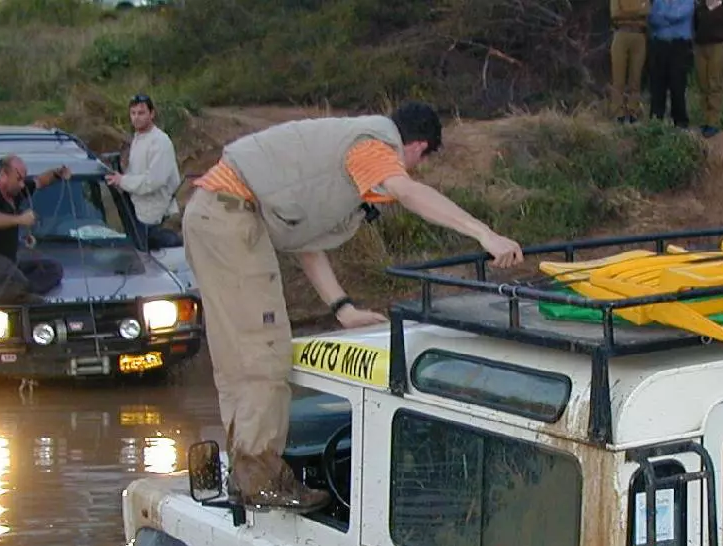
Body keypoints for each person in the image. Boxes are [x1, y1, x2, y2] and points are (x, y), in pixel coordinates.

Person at [183, 102, 523, 511]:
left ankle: (248, 473)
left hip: (214, 214)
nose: (411, 169)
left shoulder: (339, 153)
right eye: (418, 160)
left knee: (239, 359)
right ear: (416, 146)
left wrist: (341, 306)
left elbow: (305, 241)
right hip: (231, 219)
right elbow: (407, 190)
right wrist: (484, 234)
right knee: (264, 355)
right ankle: (260, 480)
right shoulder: (375, 141)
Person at [0, 156, 71, 304]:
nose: (22, 184)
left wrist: (58, 173)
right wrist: (21, 219)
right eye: (18, 179)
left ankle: (20, 292)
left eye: (23, 179)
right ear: (3, 175)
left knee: (54, 269)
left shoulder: (16, 192)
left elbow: (40, 181)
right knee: (14, 279)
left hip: (10, 260)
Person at [107, 94, 183, 249]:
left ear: (152, 114)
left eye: (141, 113)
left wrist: (123, 181)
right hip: (140, 213)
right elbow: (137, 174)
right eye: (133, 113)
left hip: (158, 217)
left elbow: (153, 181)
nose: (136, 118)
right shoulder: (138, 139)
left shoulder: (160, 141)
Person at [647, 0, 695, 128]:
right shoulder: (658, 1)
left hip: (679, 45)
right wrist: (668, 18)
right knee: (657, 85)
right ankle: (656, 121)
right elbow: (652, 18)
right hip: (659, 45)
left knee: (677, 85)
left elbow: (679, 15)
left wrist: (663, 17)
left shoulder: (687, 1)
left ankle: (680, 122)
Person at [693, 0, 723, 137]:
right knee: (703, 83)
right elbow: (696, 25)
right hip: (701, 47)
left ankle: (714, 122)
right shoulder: (700, 8)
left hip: (718, 46)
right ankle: (706, 119)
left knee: (715, 82)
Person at [609, 0, 650, 124]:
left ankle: (633, 111)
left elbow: (646, 11)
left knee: (635, 79)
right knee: (618, 79)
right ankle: (618, 113)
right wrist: (637, 13)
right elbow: (615, 13)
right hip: (621, 33)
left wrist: (626, 12)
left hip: (639, 35)